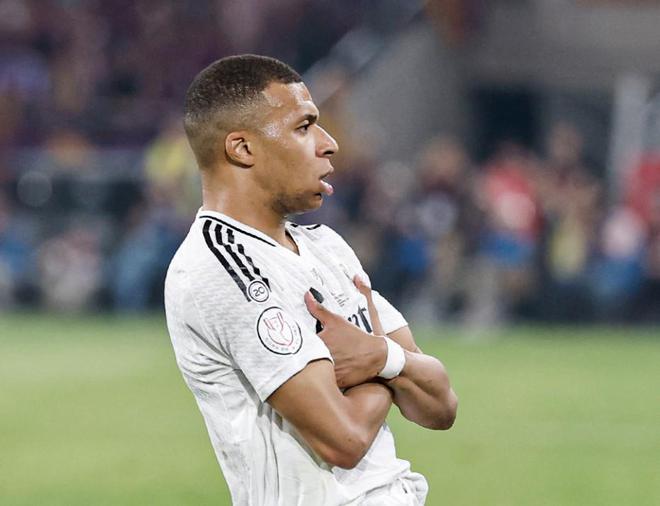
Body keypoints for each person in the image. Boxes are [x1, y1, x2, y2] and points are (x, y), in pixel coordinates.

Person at [164, 54, 458, 506]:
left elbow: (440, 405)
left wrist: (379, 356)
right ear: (242, 149)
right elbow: (344, 439)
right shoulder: (221, 267)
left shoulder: (326, 246)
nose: (330, 143)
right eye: (304, 127)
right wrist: (391, 364)